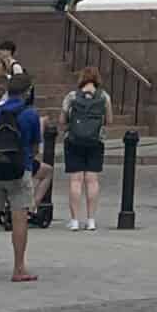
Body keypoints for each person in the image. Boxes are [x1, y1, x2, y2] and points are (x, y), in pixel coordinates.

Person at [0, 74, 42, 281]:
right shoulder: (30, 114)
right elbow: (34, 146)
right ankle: (18, 268)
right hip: (19, 170)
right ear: (27, 91)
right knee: (19, 219)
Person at [60, 67, 111, 229]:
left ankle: (74, 221)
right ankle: (91, 220)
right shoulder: (103, 97)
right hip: (95, 141)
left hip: (74, 140)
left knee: (76, 180)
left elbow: (62, 119)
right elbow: (109, 120)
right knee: (92, 180)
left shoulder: (72, 96)